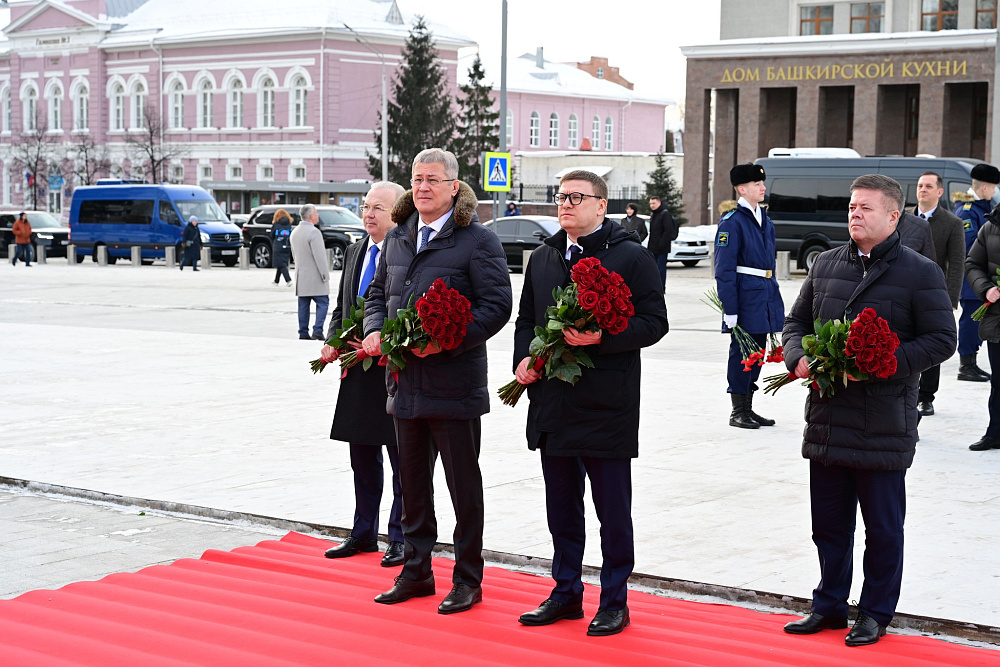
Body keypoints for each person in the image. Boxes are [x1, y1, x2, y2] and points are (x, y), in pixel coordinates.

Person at [781, 174, 955, 647]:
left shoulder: (920, 271)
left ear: (894, 216)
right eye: (852, 207)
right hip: (828, 418)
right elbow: (796, 322)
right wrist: (798, 357)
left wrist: (882, 364)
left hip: (882, 421)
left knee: (882, 529)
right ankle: (829, 605)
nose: (855, 214)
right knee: (828, 525)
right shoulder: (826, 263)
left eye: (866, 208)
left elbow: (943, 339)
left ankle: (875, 612)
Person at [513, 170, 668, 637]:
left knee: (612, 513)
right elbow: (526, 318)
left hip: (606, 404)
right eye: (560, 196)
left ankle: (615, 601)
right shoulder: (545, 256)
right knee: (561, 509)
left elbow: (655, 322)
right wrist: (524, 359)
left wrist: (603, 337)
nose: (565, 204)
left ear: (602, 205)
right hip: (554, 401)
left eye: (576, 197)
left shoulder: (631, 256)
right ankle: (565, 593)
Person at [361, 148, 512, 615]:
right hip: (404, 383)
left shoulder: (478, 240)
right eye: (417, 179)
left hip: (454, 386)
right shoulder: (399, 235)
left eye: (432, 179)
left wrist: (447, 341)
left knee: (463, 489)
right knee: (412, 486)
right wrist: (373, 329)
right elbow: (376, 293)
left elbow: (496, 306)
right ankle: (416, 571)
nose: (423, 187)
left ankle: (468, 578)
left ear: (453, 187)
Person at [321, 182, 407, 565]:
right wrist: (332, 340)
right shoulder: (355, 251)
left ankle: (400, 537)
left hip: (394, 368)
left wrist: (388, 341)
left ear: (398, 213)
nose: (368, 214)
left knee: (402, 460)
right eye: (366, 206)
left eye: (378, 208)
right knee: (362, 457)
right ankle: (363, 532)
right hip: (356, 367)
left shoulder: (408, 252)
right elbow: (341, 306)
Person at [715, 163, 785, 429]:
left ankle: (748, 408)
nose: (763, 188)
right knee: (742, 353)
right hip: (745, 298)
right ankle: (737, 411)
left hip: (764, 294)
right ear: (742, 189)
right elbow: (724, 270)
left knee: (757, 352)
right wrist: (730, 309)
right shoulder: (732, 222)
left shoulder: (765, 219)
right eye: (757, 184)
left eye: (762, 183)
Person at [913, 172, 965, 416]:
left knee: (930, 344)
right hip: (902, 290)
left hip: (934, 294)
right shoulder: (902, 217)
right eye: (920, 185)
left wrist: (951, 298)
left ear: (939, 192)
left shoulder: (952, 223)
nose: (922, 189)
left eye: (928, 186)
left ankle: (926, 397)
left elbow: (957, 263)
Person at [953, 163, 999, 382]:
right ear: (984, 188)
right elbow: (970, 247)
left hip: (985, 282)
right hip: (973, 281)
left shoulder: (982, 208)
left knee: (978, 322)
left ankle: (972, 361)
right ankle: (966, 364)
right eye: (993, 187)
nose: (994, 192)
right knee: (970, 322)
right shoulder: (968, 211)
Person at [964, 202, 1000, 451]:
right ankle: (995, 433)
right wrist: (986, 289)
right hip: (997, 318)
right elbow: (972, 263)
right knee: (998, 381)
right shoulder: (990, 227)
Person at [290, 204, 330, 341]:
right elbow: (320, 257)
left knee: (303, 305)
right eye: (316, 213)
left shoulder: (295, 232)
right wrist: (325, 275)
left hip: (301, 276)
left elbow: (294, 255)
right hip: (315, 276)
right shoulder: (314, 232)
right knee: (323, 303)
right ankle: (317, 330)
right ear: (311, 216)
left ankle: (303, 332)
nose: (318, 215)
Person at [646, 195, 676, 291]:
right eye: (650, 203)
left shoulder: (665, 214)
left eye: (654, 203)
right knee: (653, 269)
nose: (652, 205)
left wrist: (661, 244)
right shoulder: (654, 214)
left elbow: (668, 231)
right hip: (653, 247)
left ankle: (661, 288)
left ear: (659, 203)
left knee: (661, 268)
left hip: (662, 248)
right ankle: (655, 287)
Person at [271, 208, 293, 286]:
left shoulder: (276, 225)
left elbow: (272, 235)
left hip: (278, 246)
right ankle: (276, 281)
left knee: (281, 264)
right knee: (281, 263)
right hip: (287, 246)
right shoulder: (289, 225)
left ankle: (288, 280)